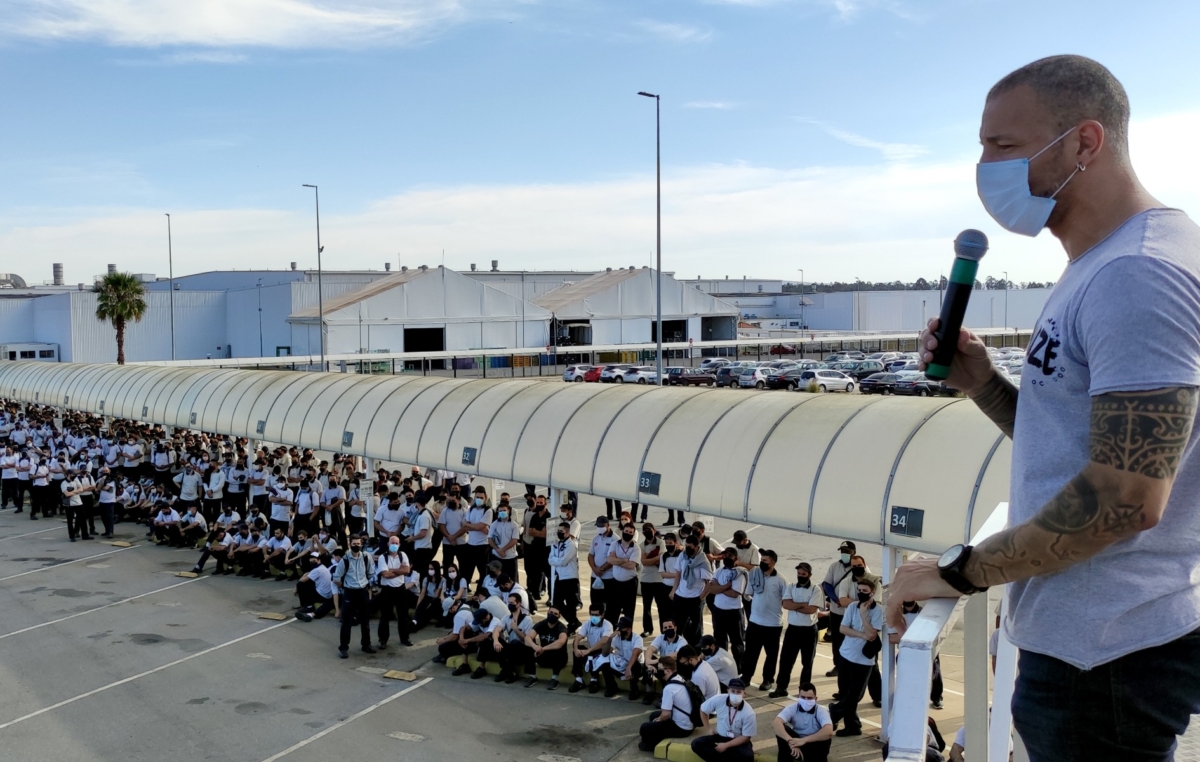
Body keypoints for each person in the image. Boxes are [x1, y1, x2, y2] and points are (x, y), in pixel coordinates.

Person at [884, 55, 1200, 762]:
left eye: (1003, 146)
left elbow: (1125, 498)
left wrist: (958, 571)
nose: (984, 168)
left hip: (1108, 657)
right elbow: (1080, 442)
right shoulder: (1099, 263)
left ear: (1085, 143)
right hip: (1091, 642)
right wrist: (984, 383)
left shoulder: (1136, 274)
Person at [828, 577, 882, 737]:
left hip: (863, 660)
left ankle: (835, 711)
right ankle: (853, 725)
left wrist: (864, 615)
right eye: (859, 590)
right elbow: (843, 628)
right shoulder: (852, 606)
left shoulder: (878, 611)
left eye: (864, 591)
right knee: (846, 693)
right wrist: (863, 635)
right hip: (846, 654)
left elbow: (873, 633)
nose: (861, 593)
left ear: (872, 593)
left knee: (856, 695)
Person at [742, 549, 786, 692]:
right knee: (750, 653)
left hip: (773, 624)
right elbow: (748, 594)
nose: (762, 563)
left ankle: (767, 680)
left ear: (773, 563)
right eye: (761, 560)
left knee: (771, 655)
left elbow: (786, 600)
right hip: (755, 622)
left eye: (765, 561)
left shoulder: (781, 580)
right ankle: (746, 677)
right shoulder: (754, 575)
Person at [776, 562, 821, 698]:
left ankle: (805, 690)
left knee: (807, 662)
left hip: (809, 630)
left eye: (804, 574)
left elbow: (811, 609)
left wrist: (794, 605)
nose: (801, 576)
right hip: (793, 629)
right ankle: (781, 687)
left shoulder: (815, 589)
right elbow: (786, 604)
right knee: (786, 660)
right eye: (799, 573)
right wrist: (802, 604)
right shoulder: (790, 587)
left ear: (809, 575)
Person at [637, 655, 695, 752]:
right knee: (653, 715)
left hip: (682, 728)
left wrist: (658, 720)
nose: (657, 670)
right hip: (689, 722)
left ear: (667, 671)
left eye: (659, 668)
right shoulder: (679, 678)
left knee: (645, 728)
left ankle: (651, 745)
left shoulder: (669, 688)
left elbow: (665, 715)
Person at [691, 678, 757, 762]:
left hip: (738, 740)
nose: (735, 694)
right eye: (733, 691)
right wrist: (708, 728)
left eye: (739, 692)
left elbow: (746, 737)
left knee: (747, 756)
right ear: (728, 691)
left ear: (744, 694)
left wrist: (726, 745)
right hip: (720, 736)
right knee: (696, 744)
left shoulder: (749, 713)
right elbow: (703, 710)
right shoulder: (719, 699)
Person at [335, 537, 377, 658]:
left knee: (365, 620)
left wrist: (364, 585)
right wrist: (346, 586)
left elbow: (370, 573)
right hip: (349, 592)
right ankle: (343, 648)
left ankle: (366, 645)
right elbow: (336, 578)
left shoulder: (366, 557)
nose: (356, 546)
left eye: (358, 544)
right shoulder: (345, 560)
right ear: (349, 544)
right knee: (346, 622)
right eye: (354, 544)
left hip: (362, 591)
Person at [708, 547, 747, 666]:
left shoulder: (739, 573)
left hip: (734, 612)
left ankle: (739, 667)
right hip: (718, 610)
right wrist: (725, 587)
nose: (726, 558)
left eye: (730, 556)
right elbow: (711, 588)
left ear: (735, 558)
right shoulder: (719, 571)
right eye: (725, 556)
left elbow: (735, 594)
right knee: (719, 640)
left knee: (737, 641)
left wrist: (718, 587)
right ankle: (722, 663)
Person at [774, 683, 833, 762]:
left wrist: (804, 740)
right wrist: (791, 742)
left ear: (816, 699)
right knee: (782, 729)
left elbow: (828, 731)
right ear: (798, 697)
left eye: (809, 698)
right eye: (803, 697)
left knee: (825, 738)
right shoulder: (793, 708)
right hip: (796, 741)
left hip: (813, 743)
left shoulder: (821, 711)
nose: (806, 700)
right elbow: (776, 722)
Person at [672, 534, 712, 647]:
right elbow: (678, 573)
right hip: (680, 596)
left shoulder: (703, 562)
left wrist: (700, 598)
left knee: (696, 628)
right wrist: (673, 590)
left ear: (696, 546)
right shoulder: (683, 556)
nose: (687, 548)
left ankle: (696, 649)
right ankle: (678, 648)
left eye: (690, 547)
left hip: (695, 597)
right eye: (686, 546)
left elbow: (709, 583)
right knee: (677, 625)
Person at [375, 535, 415, 648]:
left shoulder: (403, 556)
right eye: (392, 543)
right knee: (385, 616)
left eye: (397, 543)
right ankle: (382, 640)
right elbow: (385, 574)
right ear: (388, 544)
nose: (394, 545)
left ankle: (405, 638)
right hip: (387, 589)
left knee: (403, 615)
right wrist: (399, 571)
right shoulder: (383, 557)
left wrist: (393, 570)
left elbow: (407, 570)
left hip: (400, 588)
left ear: (400, 545)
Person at [520, 603, 570, 690]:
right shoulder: (541, 624)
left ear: (559, 616)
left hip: (559, 660)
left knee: (558, 647)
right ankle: (532, 676)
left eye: (555, 614)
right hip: (544, 657)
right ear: (547, 612)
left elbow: (561, 641)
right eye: (551, 612)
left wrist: (543, 649)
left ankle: (555, 678)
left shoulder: (561, 627)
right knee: (529, 644)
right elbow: (527, 638)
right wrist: (535, 646)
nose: (552, 615)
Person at [821, 540, 856, 662]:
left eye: (847, 551)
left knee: (850, 639)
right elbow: (827, 584)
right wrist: (836, 600)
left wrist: (847, 601)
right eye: (842, 551)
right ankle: (837, 665)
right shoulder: (835, 566)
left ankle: (849, 664)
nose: (844, 553)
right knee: (836, 639)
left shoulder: (860, 568)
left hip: (851, 612)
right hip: (836, 611)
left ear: (854, 552)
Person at [569, 604, 614, 694]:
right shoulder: (587, 624)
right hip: (591, 650)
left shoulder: (607, 625)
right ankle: (579, 679)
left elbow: (604, 641)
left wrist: (588, 651)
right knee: (578, 647)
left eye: (596, 615)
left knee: (597, 655)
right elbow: (578, 637)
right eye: (592, 614)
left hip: (603, 651)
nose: (594, 617)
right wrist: (576, 650)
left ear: (602, 615)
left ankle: (594, 679)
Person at [642, 618, 687, 706]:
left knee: (664, 668)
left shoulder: (682, 641)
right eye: (665, 627)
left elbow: (675, 655)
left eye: (670, 626)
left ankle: (665, 697)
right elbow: (650, 649)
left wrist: (658, 661)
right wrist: (648, 662)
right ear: (662, 630)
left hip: (675, 670)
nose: (668, 629)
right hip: (663, 666)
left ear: (675, 628)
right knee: (647, 662)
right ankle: (648, 693)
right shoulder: (660, 638)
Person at [606, 521, 641, 627]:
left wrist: (617, 559)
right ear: (622, 531)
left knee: (629, 611)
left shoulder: (636, 548)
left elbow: (631, 565)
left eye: (630, 532)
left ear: (633, 534)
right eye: (626, 531)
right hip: (616, 582)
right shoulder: (614, 544)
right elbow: (609, 560)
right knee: (612, 609)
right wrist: (625, 560)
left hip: (630, 583)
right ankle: (610, 632)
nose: (628, 533)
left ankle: (627, 632)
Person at [548, 521, 580, 631]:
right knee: (556, 602)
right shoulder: (555, 544)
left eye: (561, 531)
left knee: (571, 604)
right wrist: (556, 560)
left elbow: (563, 561)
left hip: (570, 577)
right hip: (560, 577)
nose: (559, 533)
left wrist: (555, 560)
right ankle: (573, 621)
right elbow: (550, 559)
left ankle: (572, 623)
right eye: (558, 531)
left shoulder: (571, 545)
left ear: (567, 532)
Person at [446, 609, 501, 674]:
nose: (479, 623)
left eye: (480, 622)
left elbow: (486, 636)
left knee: (484, 640)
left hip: (496, 647)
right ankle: (464, 665)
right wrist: (461, 639)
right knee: (466, 633)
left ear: (486, 618)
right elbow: (463, 628)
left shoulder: (495, 621)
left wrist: (467, 641)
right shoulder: (482, 620)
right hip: (481, 647)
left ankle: (481, 668)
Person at [603, 615, 645, 700]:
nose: (618, 630)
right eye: (618, 627)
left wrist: (628, 668)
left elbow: (635, 654)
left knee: (635, 665)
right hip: (623, 663)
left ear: (629, 629)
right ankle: (612, 688)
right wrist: (610, 639)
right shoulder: (616, 638)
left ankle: (634, 690)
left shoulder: (637, 638)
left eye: (621, 628)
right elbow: (605, 653)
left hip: (636, 665)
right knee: (605, 662)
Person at [639, 523, 670, 637]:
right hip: (646, 580)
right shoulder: (641, 545)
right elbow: (643, 562)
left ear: (654, 530)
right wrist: (654, 559)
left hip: (659, 581)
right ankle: (648, 629)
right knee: (646, 607)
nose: (647, 531)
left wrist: (649, 558)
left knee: (662, 608)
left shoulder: (661, 543)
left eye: (649, 529)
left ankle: (664, 630)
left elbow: (662, 558)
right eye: (645, 530)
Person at [295, 553, 336, 621]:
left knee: (300, 585)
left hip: (322, 595)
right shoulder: (322, 567)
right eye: (311, 562)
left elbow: (302, 580)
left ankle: (308, 606)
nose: (312, 563)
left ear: (319, 560)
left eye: (314, 561)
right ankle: (309, 606)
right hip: (328, 594)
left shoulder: (317, 570)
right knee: (309, 583)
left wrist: (295, 589)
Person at [589, 516, 617, 613]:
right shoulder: (595, 538)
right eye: (598, 526)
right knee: (595, 602)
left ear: (608, 525)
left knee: (609, 604)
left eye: (602, 526)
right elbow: (590, 555)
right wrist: (594, 568)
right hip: (595, 576)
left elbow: (614, 559)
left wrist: (602, 569)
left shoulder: (615, 539)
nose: (600, 528)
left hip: (609, 577)